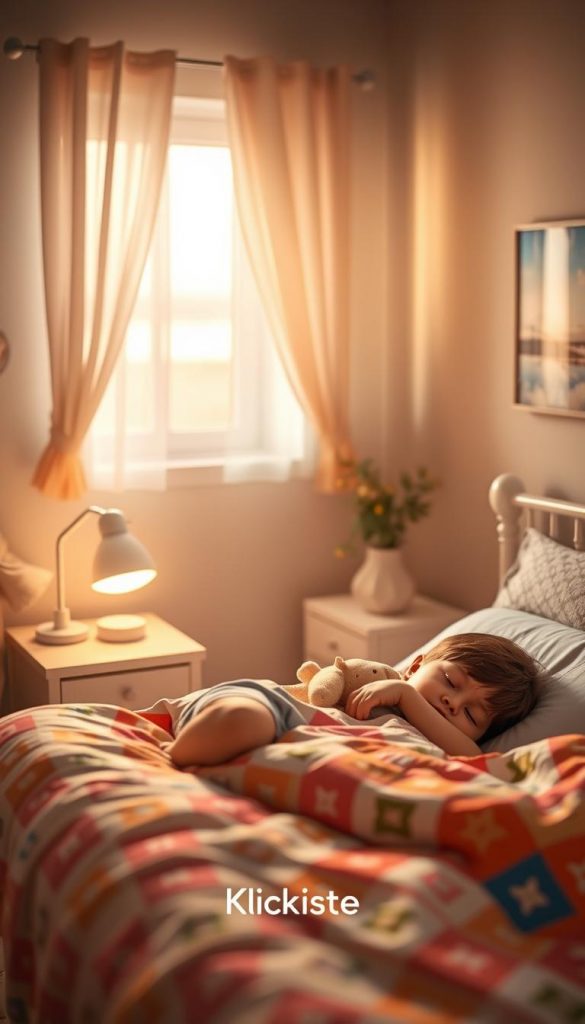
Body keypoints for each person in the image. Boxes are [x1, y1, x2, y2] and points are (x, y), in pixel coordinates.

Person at [167, 633, 541, 766]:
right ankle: (177, 757)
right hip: (280, 711)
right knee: (247, 720)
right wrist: (400, 691)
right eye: (450, 681)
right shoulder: (379, 679)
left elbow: (473, 761)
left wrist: (408, 696)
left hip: (305, 751)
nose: (453, 704)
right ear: (415, 665)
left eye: (473, 715)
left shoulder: (439, 745)